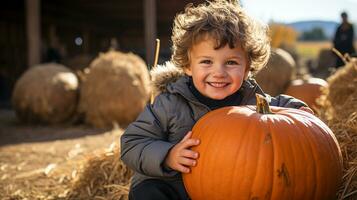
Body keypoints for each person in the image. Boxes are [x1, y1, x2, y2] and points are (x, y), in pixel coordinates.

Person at [121, 1, 312, 199]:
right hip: (175, 186)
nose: (218, 72)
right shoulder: (170, 104)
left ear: (247, 68)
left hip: (227, 188)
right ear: (188, 66)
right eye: (206, 62)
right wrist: (168, 156)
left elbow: (280, 108)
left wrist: (300, 111)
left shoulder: (250, 100)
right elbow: (132, 143)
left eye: (231, 62)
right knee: (147, 192)